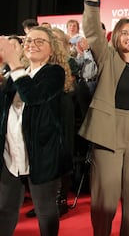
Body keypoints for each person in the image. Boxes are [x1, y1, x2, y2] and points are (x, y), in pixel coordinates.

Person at [78, 0, 129, 235]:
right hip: (107, 131)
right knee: (105, 198)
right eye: (124, 32)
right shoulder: (107, 58)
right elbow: (92, 29)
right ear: (116, 37)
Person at [0, 27, 72, 236]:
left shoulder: (54, 73)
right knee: (4, 210)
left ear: (52, 50)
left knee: (46, 213)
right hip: (10, 155)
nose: (32, 44)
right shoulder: (15, 73)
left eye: (40, 41)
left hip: (42, 156)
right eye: (29, 40)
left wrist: (14, 62)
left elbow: (34, 96)